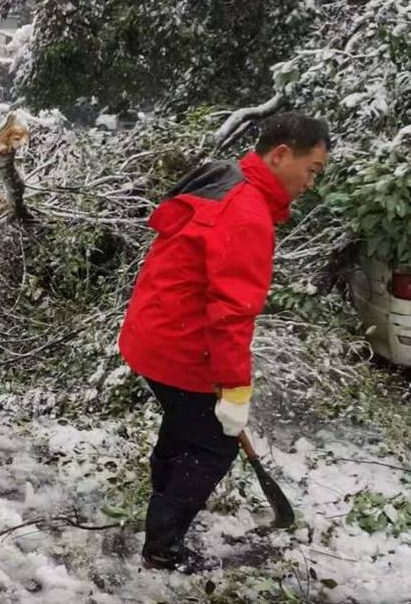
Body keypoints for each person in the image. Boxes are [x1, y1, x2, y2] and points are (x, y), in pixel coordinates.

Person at [118, 112, 330, 571]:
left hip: (150, 334)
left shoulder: (228, 180)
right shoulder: (247, 211)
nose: (311, 183)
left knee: (184, 426)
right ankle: (163, 548)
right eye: (311, 169)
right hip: (178, 344)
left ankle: (163, 507)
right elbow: (232, 314)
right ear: (280, 155)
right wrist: (234, 388)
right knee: (214, 445)